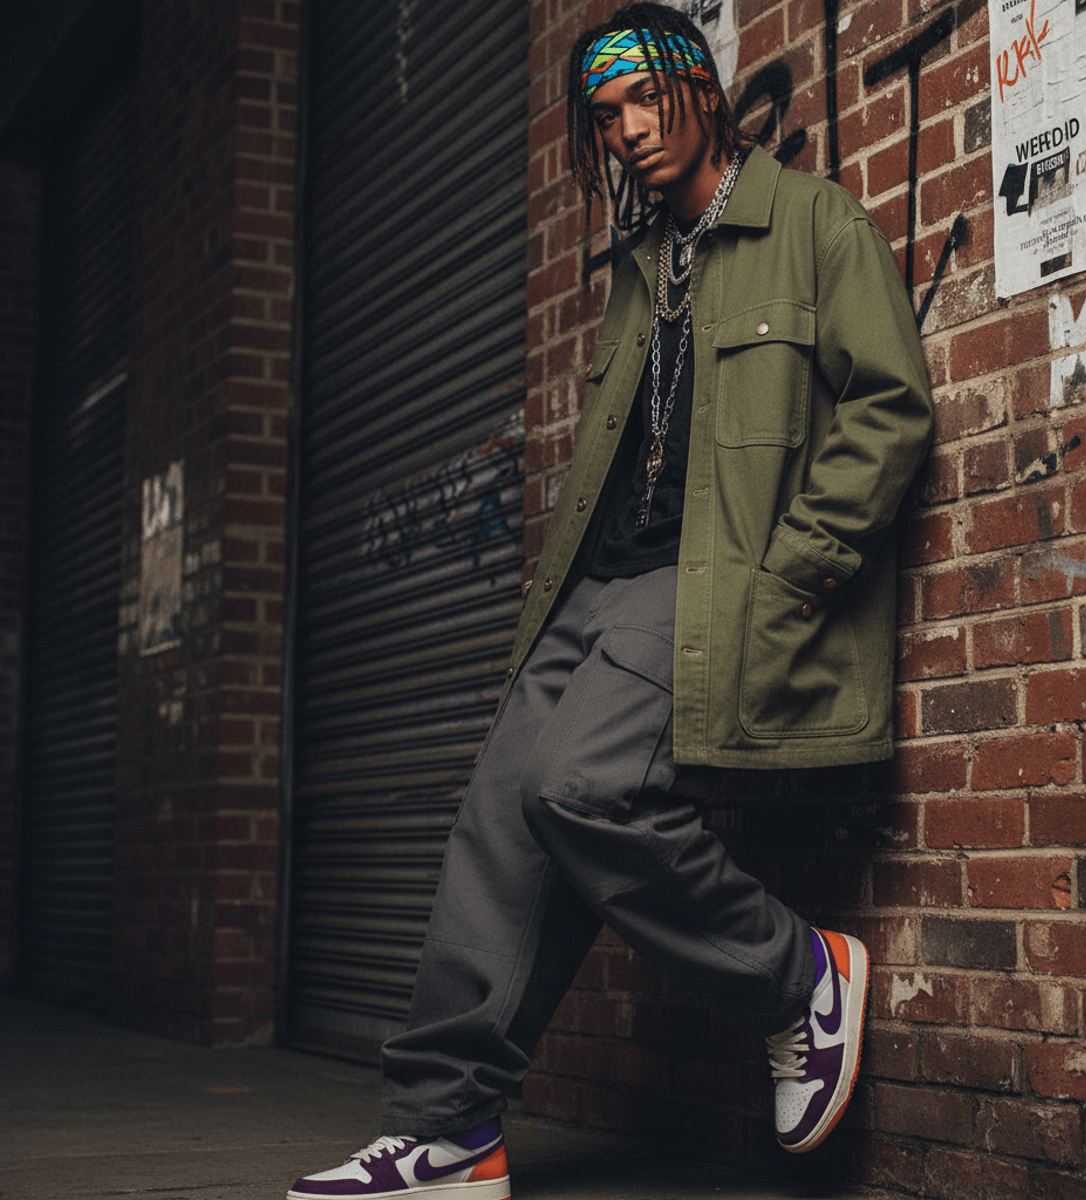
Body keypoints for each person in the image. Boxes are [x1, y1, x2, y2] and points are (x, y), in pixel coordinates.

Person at [287, 5, 932, 1198]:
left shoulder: (811, 223)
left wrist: (796, 569)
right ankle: (448, 1133)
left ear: (703, 86)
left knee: (582, 787)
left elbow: (887, 409)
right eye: (606, 115)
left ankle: (800, 979)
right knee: (498, 815)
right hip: (597, 586)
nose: (631, 130)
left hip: (711, 577)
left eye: (648, 98)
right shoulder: (645, 271)